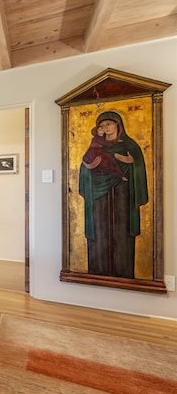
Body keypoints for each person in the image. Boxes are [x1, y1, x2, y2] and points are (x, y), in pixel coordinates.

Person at [78, 111, 148, 278]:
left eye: (109, 124)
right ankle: (97, 271)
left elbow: (139, 166)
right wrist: (87, 168)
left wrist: (132, 163)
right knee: (99, 229)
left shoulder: (129, 146)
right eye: (102, 125)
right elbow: (85, 165)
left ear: (118, 125)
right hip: (98, 196)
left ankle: (123, 273)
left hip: (123, 195)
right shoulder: (96, 146)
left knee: (121, 231)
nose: (106, 128)